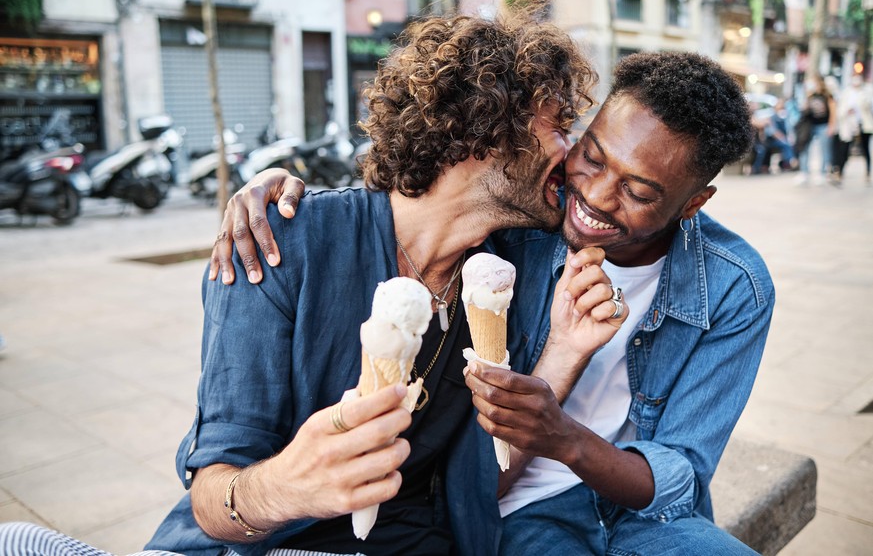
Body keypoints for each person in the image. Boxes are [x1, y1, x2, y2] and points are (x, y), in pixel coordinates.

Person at [0, 11, 619, 556]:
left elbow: (487, 480)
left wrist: (564, 352)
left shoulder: (516, 267)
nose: (573, 151)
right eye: (559, 124)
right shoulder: (282, 242)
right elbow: (215, 497)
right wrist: (288, 485)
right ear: (485, 127)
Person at [213, 52, 773, 554]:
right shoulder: (518, 234)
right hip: (519, 512)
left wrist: (564, 433)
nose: (594, 196)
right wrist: (272, 192)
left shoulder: (730, 285)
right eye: (589, 153)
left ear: (693, 202)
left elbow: (682, 474)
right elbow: (423, 194)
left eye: (641, 191)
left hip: (641, 515)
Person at [831, 72, 873, 185]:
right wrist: (847, 111)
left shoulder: (867, 92)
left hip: (863, 124)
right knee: (844, 149)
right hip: (848, 124)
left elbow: (868, 106)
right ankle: (839, 172)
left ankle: (868, 172)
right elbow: (840, 109)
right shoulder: (846, 93)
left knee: (865, 149)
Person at [795, 75, 836, 186]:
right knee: (804, 148)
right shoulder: (810, 95)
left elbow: (833, 111)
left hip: (823, 125)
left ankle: (823, 173)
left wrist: (831, 126)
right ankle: (804, 172)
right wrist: (806, 96)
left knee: (825, 150)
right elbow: (804, 109)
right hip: (810, 126)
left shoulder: (827, 95)